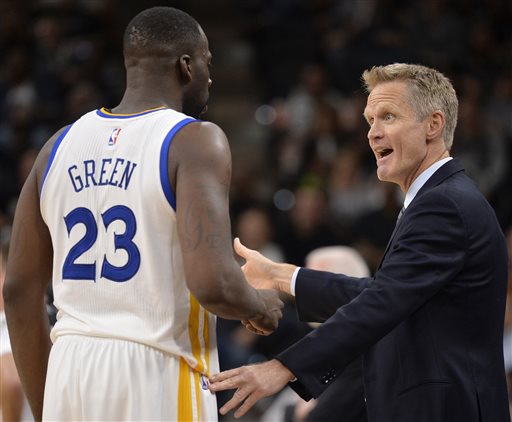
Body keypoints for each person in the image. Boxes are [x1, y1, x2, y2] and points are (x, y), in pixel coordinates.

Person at [2, 7, 283, 422]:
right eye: (208, 61)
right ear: (186, 66)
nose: (211, 75)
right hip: (156, 367)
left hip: (70, 365)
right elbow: (213, 283)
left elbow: (18, 292)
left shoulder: (57, 147)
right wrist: (261, 306)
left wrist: (49, 407)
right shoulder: (194, 140)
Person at [209, 63, 510, 422]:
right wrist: (281, 276)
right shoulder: (438, 199)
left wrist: (283, 366)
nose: (373, 133)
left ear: (434, 124)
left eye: (388, 117)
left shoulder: (443, 204)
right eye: (370, 120)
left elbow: (382, 301)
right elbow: (385, 294)